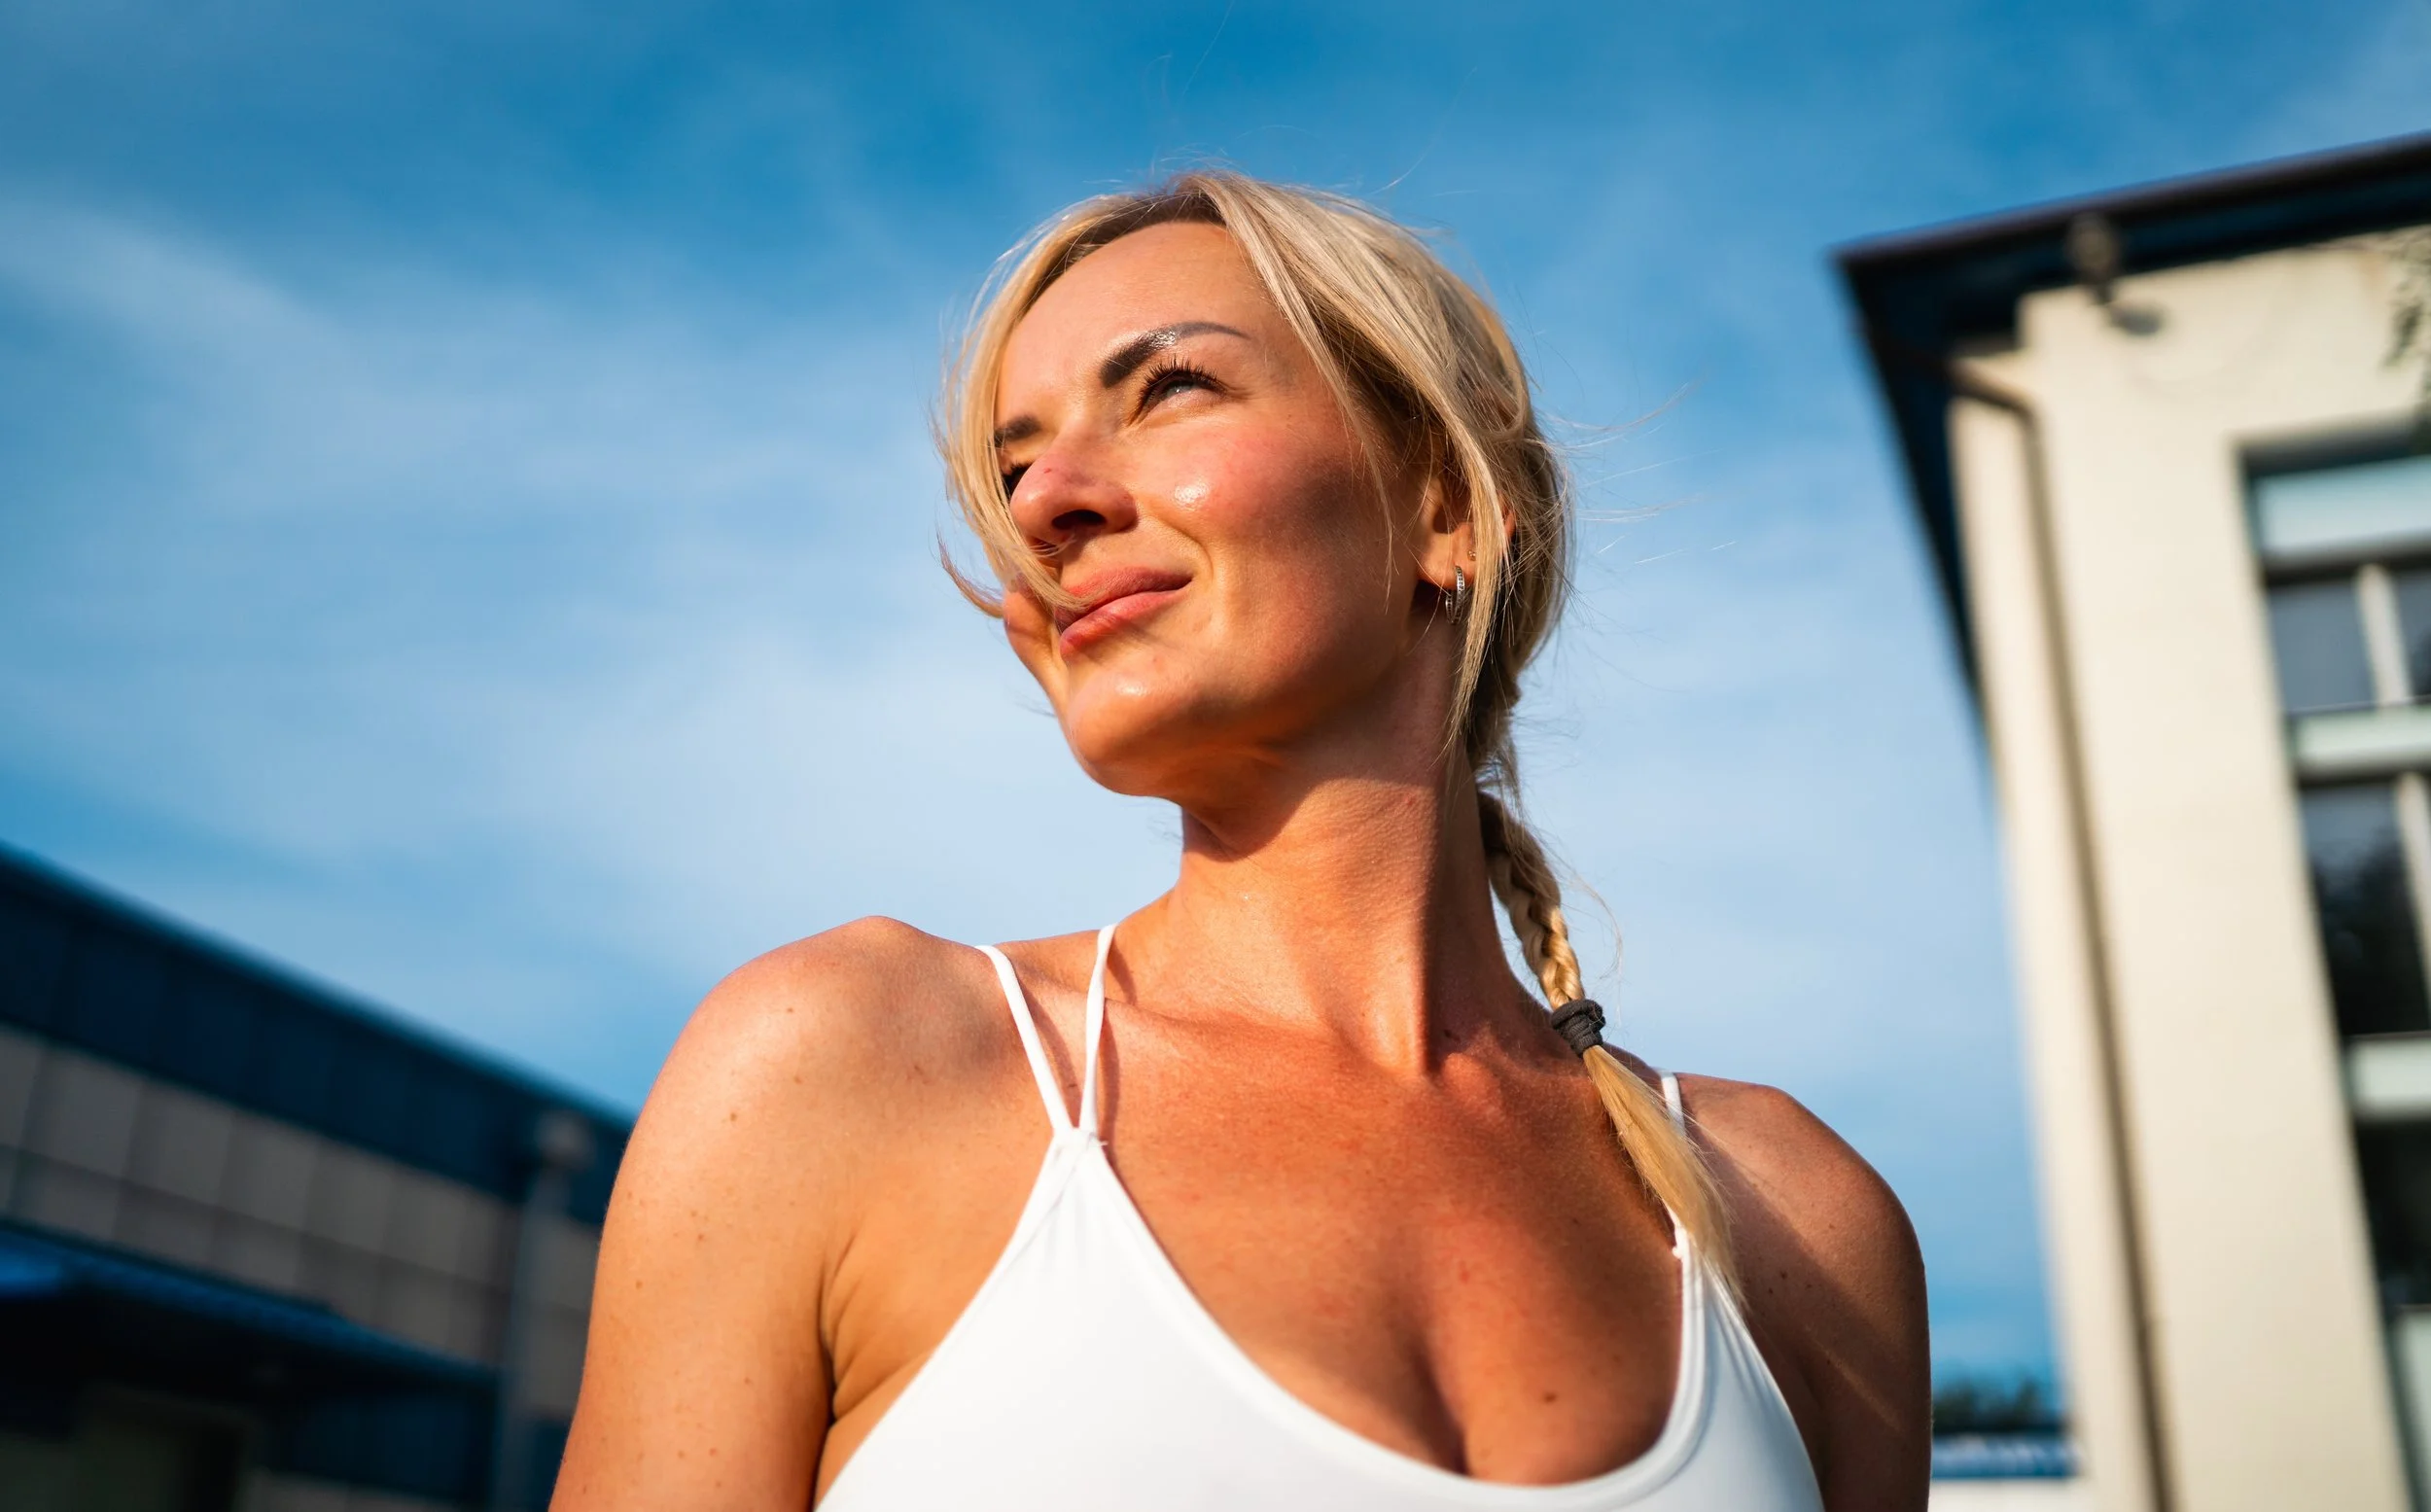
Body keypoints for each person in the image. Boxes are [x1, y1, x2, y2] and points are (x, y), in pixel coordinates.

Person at [553, 174, 1929, 1511]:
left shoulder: (1800, 1222)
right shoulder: (846, 1063)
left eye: (1167, 390)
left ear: (1446, 506)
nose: (1042, 507)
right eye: (1015, 463)